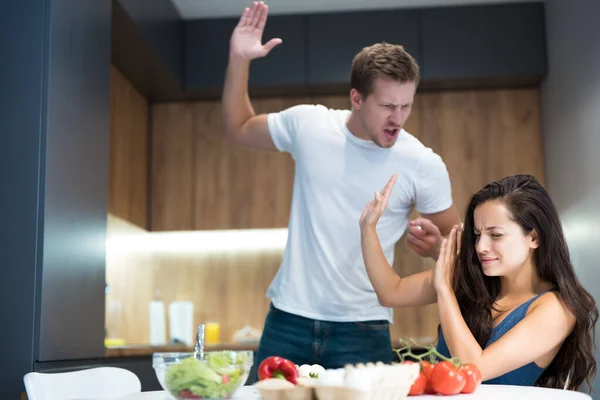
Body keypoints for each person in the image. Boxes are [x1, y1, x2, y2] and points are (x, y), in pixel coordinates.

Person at [221, 1, 461, 370]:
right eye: (386, 106)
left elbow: (457, 254)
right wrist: (239, 59)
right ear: (356, 98)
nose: (398, 119)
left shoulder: (422, 164)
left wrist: (435, 248)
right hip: (288, 318)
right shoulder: (309, 126)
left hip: (364, 328)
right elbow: (237, 128)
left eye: (406, 105)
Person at [360, 173, 598, 390]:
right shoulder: (473, 280)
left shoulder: (556, 310)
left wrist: (444, 290)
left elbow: (473, 368)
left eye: (495, 235)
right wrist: (368, 228)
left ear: (534, 237)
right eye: (477, 235)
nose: (481, 247)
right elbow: (391, 292)